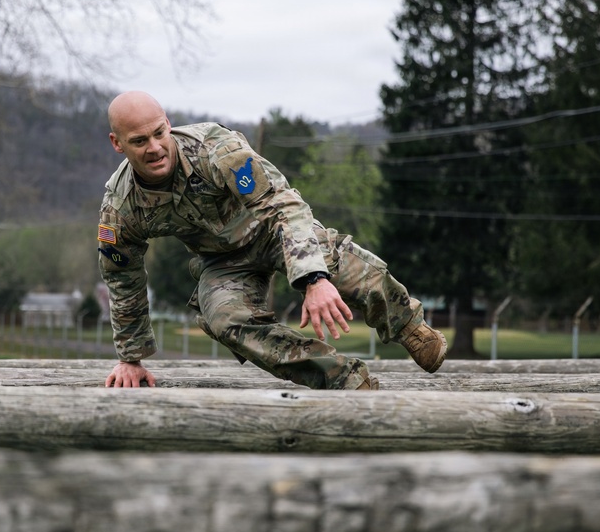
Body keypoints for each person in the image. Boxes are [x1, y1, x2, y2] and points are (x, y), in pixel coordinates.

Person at [99, 90, 446, 390]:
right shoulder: (121, 205)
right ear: (117, 144)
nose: (155, 148)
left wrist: (314, 277)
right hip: (223, 261)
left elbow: (284, 207)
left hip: (272, 231)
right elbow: (122, 276)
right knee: (224, 320)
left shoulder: (214, 150)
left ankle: (408, 326)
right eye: (139, 141)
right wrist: (131, 358)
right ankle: (341, 377)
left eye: (159, 133)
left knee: (332, 262)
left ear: (168, 122)